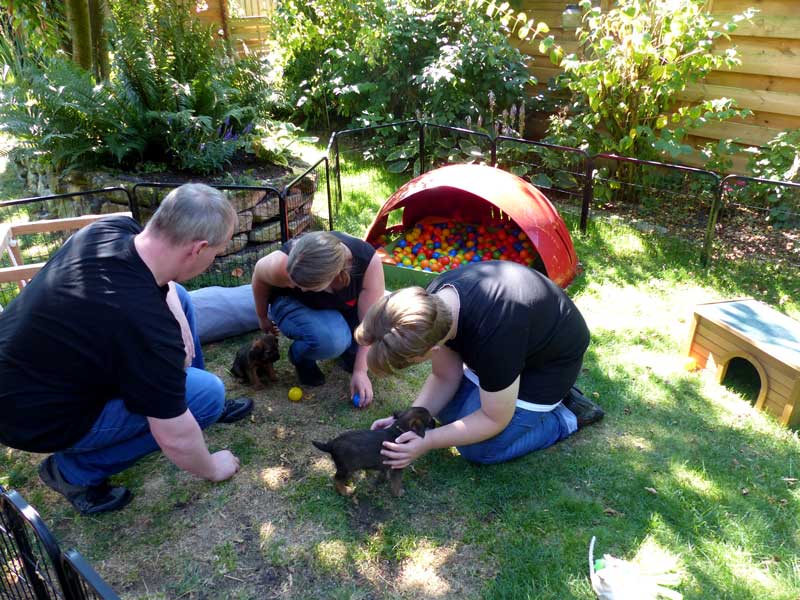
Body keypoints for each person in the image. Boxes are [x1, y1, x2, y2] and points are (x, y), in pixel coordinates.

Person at [0, 183, 254, 515]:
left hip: (27, 371)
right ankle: (73, 472)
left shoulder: (109, 229)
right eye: (215, 254)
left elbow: (162, 288)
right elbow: (174, 438)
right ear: (198, 249)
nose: (212, 259)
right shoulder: (147, 327)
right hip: (32, 418)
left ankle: (181, 396)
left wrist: (175, 313)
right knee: (207, 396)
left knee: (179, 297)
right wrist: (212, 467)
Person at [354, 260, 604, 468]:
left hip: (547, 367)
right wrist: (407, 420)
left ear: (432, 350)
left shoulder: (496, 336)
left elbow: (493, 419)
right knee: (446, 413)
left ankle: (566, 415)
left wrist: (428, 441)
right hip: (514, 348)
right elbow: (444, 377)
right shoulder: (430, 306)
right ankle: (511, 394)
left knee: (479, 449)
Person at [251, 230, 385, 407]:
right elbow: (259, 276)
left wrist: (360, 371)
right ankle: (301, 356)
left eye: (307, 286)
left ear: (333, 277)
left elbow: (370, 324)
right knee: (333, 341)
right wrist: (262, 316)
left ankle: (343, 344)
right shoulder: (282, 264)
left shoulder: (367, 263)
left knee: (365, 355)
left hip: (339, 305)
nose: (300, 288)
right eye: (294, 283)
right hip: (291, 301)